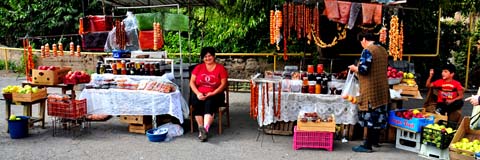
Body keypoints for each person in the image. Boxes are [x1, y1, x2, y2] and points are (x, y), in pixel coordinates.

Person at [348, 32, 389, 153]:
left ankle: (367, 145)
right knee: (378, 116)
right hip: (382, 89)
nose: (362, 44)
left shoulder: (368, 50)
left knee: (370, 116)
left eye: (361, 41)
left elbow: (364, 70)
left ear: (364, 39)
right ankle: (375, 141)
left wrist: (355, 68)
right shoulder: (382, 50)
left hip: (370, 89)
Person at [190, 47, 228, 142]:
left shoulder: (220, 68)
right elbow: (191, 82)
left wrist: (213, 93)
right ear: (202, 58)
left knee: (209, 103)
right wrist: (198, 93)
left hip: (215, 93)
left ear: (214, 56)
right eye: (205, 56)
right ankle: (201, 129)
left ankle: (205, 129)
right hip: (200, 93)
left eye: (210, 55)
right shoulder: (198, 67)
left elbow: (224, 84)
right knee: (196, 101)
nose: (208, 58)